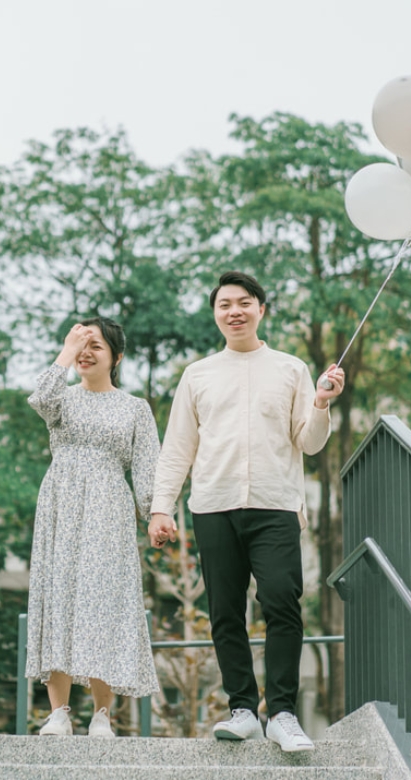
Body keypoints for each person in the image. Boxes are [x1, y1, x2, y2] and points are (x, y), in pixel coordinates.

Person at [147, 271, 344, 753]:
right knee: (225, 611)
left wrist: (320, 403)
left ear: (261, 310)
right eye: (224, 304)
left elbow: (310, 443)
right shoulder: (197, 375)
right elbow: (177, 448)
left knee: (281, 602)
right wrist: (160, 507)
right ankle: (242, 709)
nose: (234, 311)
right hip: (213, 506)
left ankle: (282, 713)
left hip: (276, 504)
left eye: (244, 302)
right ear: (215, 314)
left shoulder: (291, 369)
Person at [26, 317, 161, 737]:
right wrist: (67, 352)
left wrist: (155, 513)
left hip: (108, 507)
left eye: (96, 346)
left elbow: (147, 468)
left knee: (103, 601)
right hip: (60, 505)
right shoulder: (62, 399)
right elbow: (39, 399)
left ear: (116, 357)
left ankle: (102, 713)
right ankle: (59, 713)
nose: (86, 352)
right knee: (59, 596)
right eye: (81, 344)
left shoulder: (135, 408)